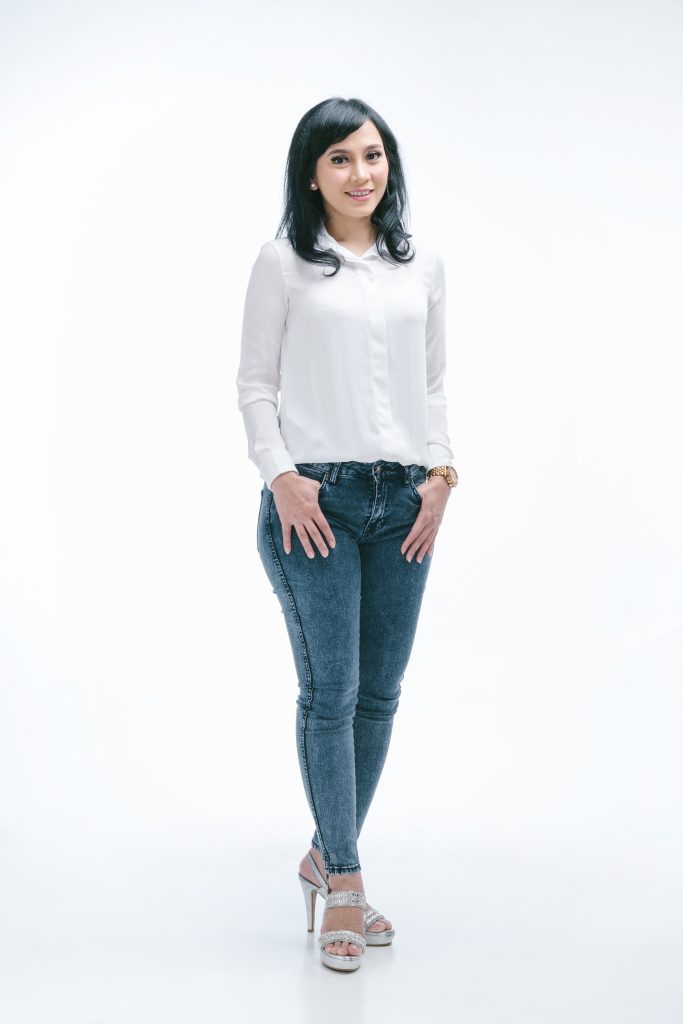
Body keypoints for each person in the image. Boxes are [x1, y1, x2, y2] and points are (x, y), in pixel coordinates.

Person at [235, 96, 458, 972]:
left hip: (404, 503)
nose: (360, 173)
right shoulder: (283, 263)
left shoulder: (420, 264)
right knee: (331, 692)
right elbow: (255, 384)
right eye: (339, 159)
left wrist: (441, 474)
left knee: (380, 696)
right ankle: (347, 882)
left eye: (372, 155)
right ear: (310, 174)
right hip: (314, 504)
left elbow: (431, 384)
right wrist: (281, 476)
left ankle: (323, 856)